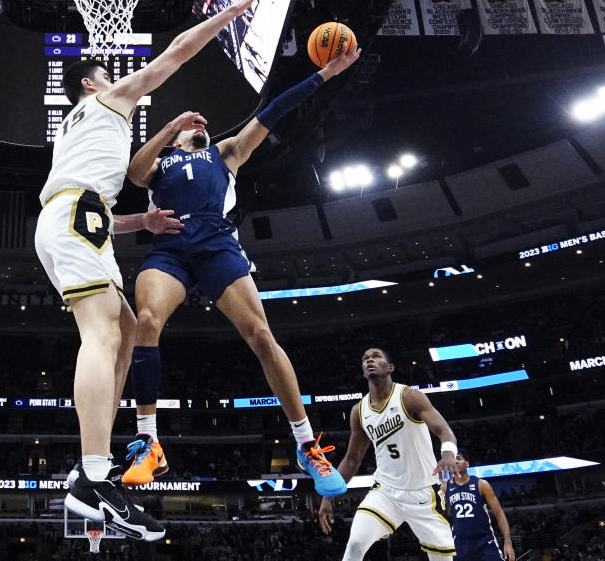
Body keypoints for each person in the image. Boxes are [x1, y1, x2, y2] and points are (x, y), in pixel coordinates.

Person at [34, 0, 272, 542]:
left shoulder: (81, 135)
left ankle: (95, 470)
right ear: (91, 84)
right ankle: (91, 477)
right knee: (102, 333)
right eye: (112, 77)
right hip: (75, 219)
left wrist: (143, 223)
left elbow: (93, 205)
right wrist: (232, 13)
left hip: (79, 219)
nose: (124, 84)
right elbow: (177, 53)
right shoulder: (103, 101)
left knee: (124, 326)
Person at [120, 48, 361, 493]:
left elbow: (276, 109)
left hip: (216, 245)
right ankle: (148, 442)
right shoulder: (159, 164)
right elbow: (135, 175)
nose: (200, 125)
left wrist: (325, 74)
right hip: (169, 248)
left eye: (202, 124)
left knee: (261, 336)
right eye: (191, 125)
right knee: (147, 321)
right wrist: (171, 126)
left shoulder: (226, 152)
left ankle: (307, 444)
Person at [319, 347, 459, 560]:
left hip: (424, 494)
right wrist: (328, 496)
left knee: (443, 559)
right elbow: (352, 459)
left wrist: (448, 454)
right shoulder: (359, 411)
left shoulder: (410, 397)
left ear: (390, 367)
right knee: (355, 543)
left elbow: (444, 431)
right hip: (386, 492)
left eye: (376, 356)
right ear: (363, 371)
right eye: (365, 358)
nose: (369, 360)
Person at [441, 452, 516, 561]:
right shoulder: (445, 487)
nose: (455, 461)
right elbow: (443, 516)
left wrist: (508, 542)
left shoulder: (481, 484)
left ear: (467, 464)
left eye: (459, 458)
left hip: (484, 542)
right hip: (459, 543)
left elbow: (499, 514)